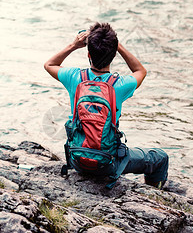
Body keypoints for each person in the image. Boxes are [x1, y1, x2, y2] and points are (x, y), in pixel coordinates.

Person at [44, 22, 168, 188]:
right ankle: (155, 194)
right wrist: (119, 47)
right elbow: (140, 71)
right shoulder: (120, 84)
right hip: (107, 164)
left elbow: (49, 65)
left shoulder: (74, 77)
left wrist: (73, 45)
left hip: (76, 160)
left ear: (88, 54)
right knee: (159, 158)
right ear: (114, 55)